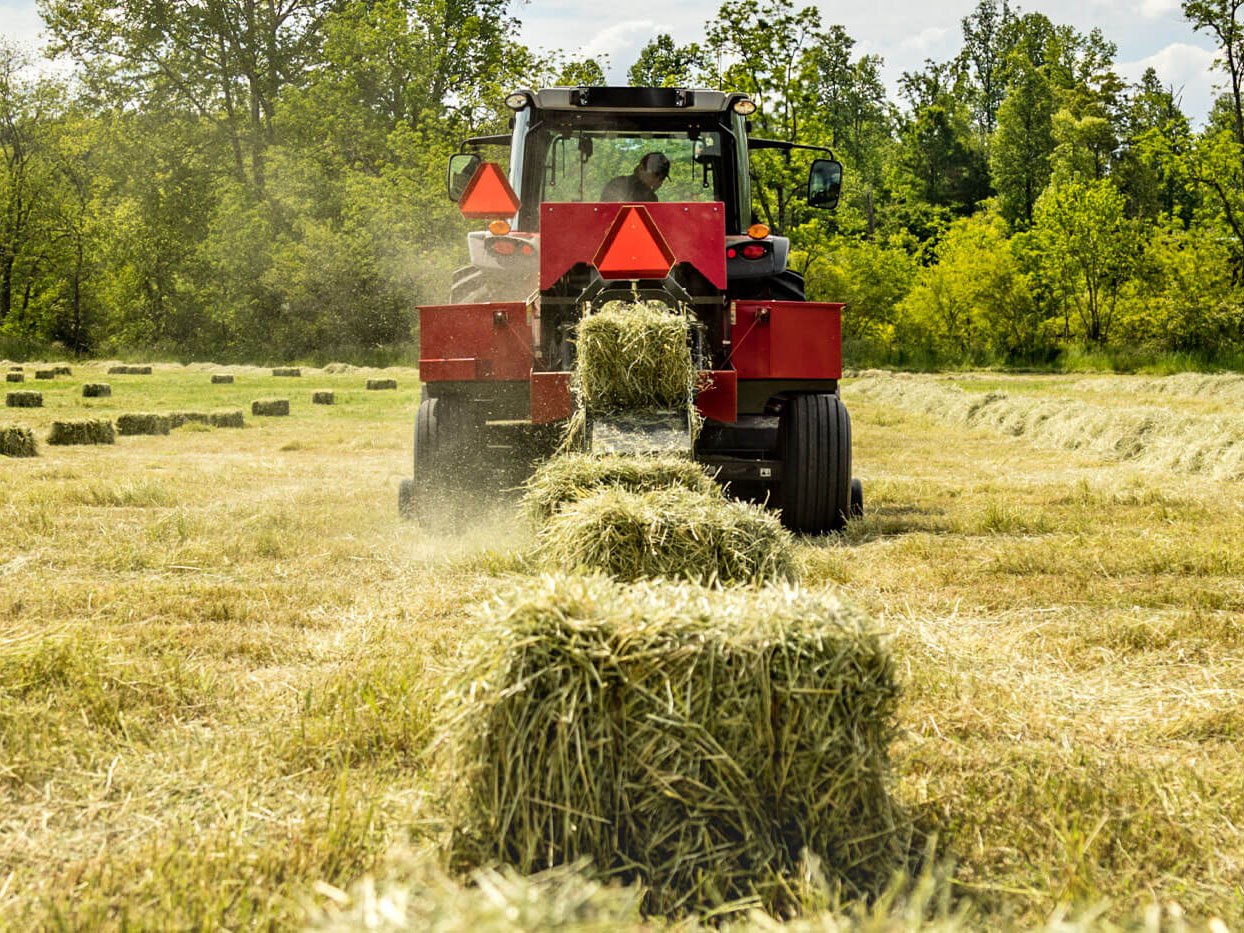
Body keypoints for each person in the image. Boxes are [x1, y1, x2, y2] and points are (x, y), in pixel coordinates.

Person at [601, 151, 670, 202]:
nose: (658, 180)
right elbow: (608, 213)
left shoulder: (651, 197)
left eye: (662, 177)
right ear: (641, 169)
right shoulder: (619, 185)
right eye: (656, 174)